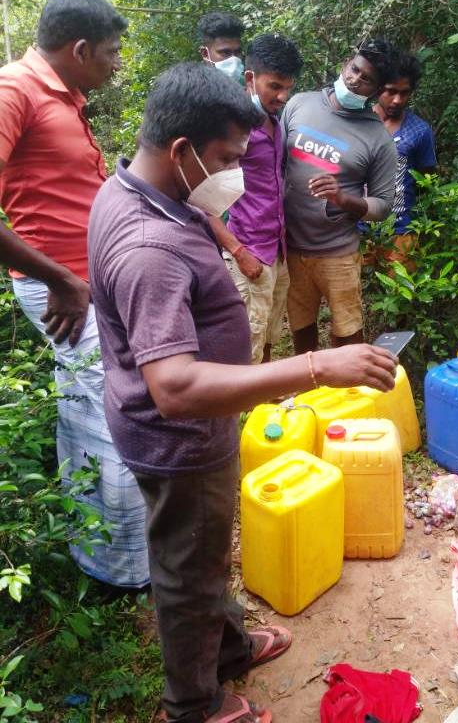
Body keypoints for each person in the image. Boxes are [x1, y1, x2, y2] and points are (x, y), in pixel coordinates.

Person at [87, 61, 398, 723]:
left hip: (192, 431)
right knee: (186, 572)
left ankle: (227, 649)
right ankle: (194, 706)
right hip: (179, 438)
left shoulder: (141, 192)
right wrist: (314, 368)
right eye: (228, 157)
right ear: (182, 151)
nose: (236, 170)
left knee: (200, 554)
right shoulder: (150, 244)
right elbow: (173, 385)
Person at [0, 0, 149, 588]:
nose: (117, 64)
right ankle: (127, 571)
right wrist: (60, 279)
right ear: (80, 48)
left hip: (85, 284)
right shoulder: (15, 90)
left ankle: (99, 554)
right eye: (111, 53)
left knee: (87, 412)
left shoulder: (64, 94)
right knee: (117, 414)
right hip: (62, 289)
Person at [281, 38, 399, 354]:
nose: (355, 80)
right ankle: (308, 391)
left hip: (337, 252)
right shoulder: (299, 104)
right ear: (346, 63)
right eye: (354, 70)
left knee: (347, 333)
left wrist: (343, 199)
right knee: (301, 328)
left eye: (366, 80)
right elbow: (273, 166)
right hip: (290, 246)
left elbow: (384, 205)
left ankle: (348, 393)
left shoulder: (378, 138)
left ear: (375, 91)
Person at [210, 33, 303, 364]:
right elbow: (202, 201)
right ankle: (244, 413)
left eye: (287, 88)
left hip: (275, 251)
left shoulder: (273, 122)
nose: (282, 96)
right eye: (274, 86)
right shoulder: (233, 127)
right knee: (244, 346)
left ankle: (264, 402)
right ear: (250, 78)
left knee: (267, 335)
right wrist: (238, 252)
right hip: (249, 253)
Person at [371, 51, 437, 263]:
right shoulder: (357, 122)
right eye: (391, 91)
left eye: (404, 93)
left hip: (401, 231)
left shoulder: (419, 131)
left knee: (398, 292)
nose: (397, 100)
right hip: (356, 229)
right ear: (378, 87)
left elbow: (426, 181)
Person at [197, 10, 245, 82]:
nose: (234, 59)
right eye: (225, 53)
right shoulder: (188, 88)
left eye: (237, 52)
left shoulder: (249, 86)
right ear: (205, 54)